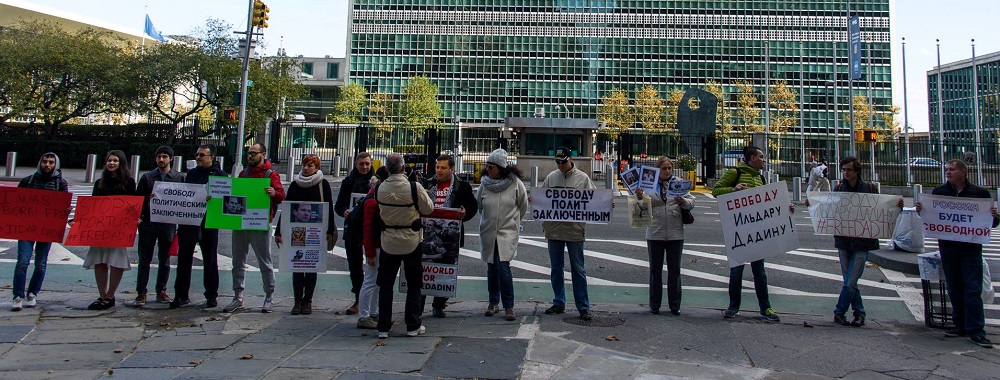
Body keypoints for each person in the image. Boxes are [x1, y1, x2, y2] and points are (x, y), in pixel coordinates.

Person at [808, 157, 903, 327]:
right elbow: (829, 208)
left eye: (849, 170)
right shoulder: (838, 188)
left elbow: (882, 209)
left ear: (857, 171)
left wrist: (898, 205)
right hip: (844, 240)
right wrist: (813, 204)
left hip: (863, 241)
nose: (845, 173)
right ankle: (859, 313)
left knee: (851, 280)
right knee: (849, 280)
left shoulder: (870, 189)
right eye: (843, 169)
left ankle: (840, 311)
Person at [916, 159, 1000, 348]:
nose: (948, 172)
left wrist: (994, 216)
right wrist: (923, 211)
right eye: (947, 169)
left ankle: (976, 330)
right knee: (954, 288)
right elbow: (933, 218)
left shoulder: (980, 194)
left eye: (952, 169)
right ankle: (960, 325)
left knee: (972, 290)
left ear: (963, 172)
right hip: (948, 247)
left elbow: (990, 224)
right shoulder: (939, 193)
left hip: (971, 249)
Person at [712, 145, 792, 322]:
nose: (764, 160)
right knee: (737, 271)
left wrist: (784, 208)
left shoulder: (761, 178)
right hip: (739, 230)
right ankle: (733, 306)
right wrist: (733, 190)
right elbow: (716, 190)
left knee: (760, 272)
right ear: (752, 158)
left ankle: (765, 307)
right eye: (761, 156)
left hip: (757, 232)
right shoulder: (735, 173)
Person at [375, 154, 434, 339]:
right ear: (403, 168)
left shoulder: (379, 188)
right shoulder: (413, 187)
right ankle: (413, 324)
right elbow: (428, 209)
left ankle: (383, 326)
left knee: (386, 284)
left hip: (388, 239)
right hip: (411, 239)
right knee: (414, 284)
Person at [224, 144, 285, 314]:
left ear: (263, 154)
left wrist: (274, 193)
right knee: (237, 261)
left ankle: (269, 296)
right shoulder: (244, 173)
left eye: (253, 153)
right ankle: (237, 297)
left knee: (264, 261)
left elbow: (281, 195)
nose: (250, 156)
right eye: (248, 153)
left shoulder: (270, 174)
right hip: (241, 223)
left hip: (260, 223)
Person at [542, 147, 598, 321]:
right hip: (554, 229)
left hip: (574, 229)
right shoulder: (551, 177)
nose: (560, 165)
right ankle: (559, 301)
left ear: (570, 159)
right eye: (558, 162)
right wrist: (535, 200)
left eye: (563, 162)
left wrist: (605, 205)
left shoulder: (583, 178)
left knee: (578, 268)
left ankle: (583, 306)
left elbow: (595, 199)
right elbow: (543, 198)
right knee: (556, 268)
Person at [420, 154, 478, 318]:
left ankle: (439, 304)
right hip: (426, 233)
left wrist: (464, 213)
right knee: (424, 269)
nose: (439, 170)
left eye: (443, 168)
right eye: (438, 167)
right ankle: (419, 304)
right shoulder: (427, 183)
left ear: (452, 169)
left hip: (449, 235)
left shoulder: (462, 186)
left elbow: (472, 205)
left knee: (445, 269)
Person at [276, 154, 335, 315]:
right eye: (304, 165)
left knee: (311, 266)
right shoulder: (295, 184)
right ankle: (297, 301)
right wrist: (279, 231)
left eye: (310, 166)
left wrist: (329, 231)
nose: (306, 168)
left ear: (317, 168)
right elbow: (287, 208)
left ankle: (307, 300)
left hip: (316, 232)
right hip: (297, 232)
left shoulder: (323, 184)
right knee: (296, 266)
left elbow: (328, 208)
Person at [635, 157, 694, 316]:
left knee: (674, 270)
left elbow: (691, 202)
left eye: (669, 168)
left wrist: (682, 202)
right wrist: (640, 196)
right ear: (657, 170)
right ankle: (654, 304)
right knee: (655, 270)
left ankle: (675, 305)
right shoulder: (649, 184)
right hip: (655, 231)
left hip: (675, 232)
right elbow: (640, 207)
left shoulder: (678, 183)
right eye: (664, 168)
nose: (667, 171)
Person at [11, 152, 69, 311]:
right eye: (45, 161)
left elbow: (62, 207)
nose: (47, 165)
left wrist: (65, 210)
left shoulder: (60, 184)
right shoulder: (27, 181)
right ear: (40, 163)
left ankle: (32, 293)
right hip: (27, 228)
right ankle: (17, 296)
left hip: (46, 229)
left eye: (51, 162)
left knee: (41, 264)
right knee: (22, 261)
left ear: (55, 164)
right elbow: (15, 203)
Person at [171, 144, 227, 309]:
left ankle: (211, 295)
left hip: (209, 222)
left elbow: (226, 199)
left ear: (212, 157)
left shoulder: (220, 175)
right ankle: (181, 295)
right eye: (197, 154)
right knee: (184, 259)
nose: (198, 157)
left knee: (210, 259)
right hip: (190, 222)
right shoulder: (192, 173)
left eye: (202, 155)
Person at [80, 150, 137, 310]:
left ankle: (110, 295)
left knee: (116, 261)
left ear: (121, 163)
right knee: (99, 261)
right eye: (109, 160)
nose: (111, 163)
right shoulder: (99, 182)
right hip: (100, 229)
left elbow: (133, 205)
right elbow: (91, 205)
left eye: (115, 161)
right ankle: (102, 295)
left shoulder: (129, 182)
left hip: (118, 230)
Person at [477, 148, 528, 321]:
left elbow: (523, 204)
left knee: (503, 266)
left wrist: (514, 221)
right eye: (487, 166)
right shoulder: (484, 184)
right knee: (492, 267)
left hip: (507, 231)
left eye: (492, 166)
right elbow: (479, 206)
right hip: (489, 231)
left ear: (501, 168)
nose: (488, 169)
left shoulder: (515, 183)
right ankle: (493, 302)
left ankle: (508, 306)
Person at [134, 146, 185, 307]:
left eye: (164, 157)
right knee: (144, 259)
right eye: (159, 157)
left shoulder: (178, 177)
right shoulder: (147, 178)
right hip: (148, 222)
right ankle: (141, 292)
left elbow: (185, 199)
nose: (161, 160)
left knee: (165, 259)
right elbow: (138, 200)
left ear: (171, 158)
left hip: (168, 223)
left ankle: (161, 290)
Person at [335, 152, 375, 315]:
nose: (365, 167)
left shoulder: (377, 182)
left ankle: (371, 299)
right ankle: (359, 298)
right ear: (356, 164)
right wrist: (344, 211)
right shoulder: (348, 182)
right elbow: (338, 205)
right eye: (362, 164)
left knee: (374, 264)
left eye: (367, 164)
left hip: (371, 227)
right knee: (355, 265)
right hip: (352, 228)